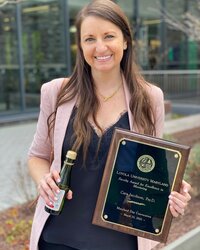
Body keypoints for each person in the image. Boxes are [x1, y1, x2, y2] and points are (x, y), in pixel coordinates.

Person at [28, 1, 191, 250]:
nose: (100, 47)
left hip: (121, 241)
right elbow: (37, 156)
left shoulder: (149, 98)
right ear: (80, 46)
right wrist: (43, 181)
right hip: (58, 238)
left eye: (109, 36)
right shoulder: (56, 92)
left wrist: (173, 191)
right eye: (89, 39)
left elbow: (152, 170)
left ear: (125, 41)